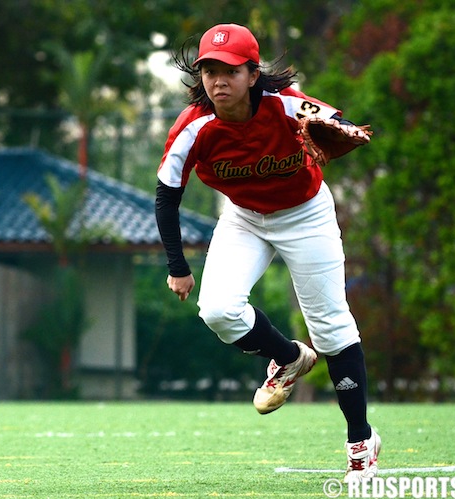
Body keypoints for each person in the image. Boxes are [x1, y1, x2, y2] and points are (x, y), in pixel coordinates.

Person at [155, 23, 380, 482]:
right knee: (217, 310)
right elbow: (166, 195)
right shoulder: (194, 125)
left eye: (230, 71)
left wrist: (338, 128)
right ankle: (290, 357)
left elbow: (342, 124)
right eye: (209, 70)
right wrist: (177, 266)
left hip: (305, 215)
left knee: (331, 325)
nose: (218, 81)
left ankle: (361, 439)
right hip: (244, 217)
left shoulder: (287, 105)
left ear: (253, 74)